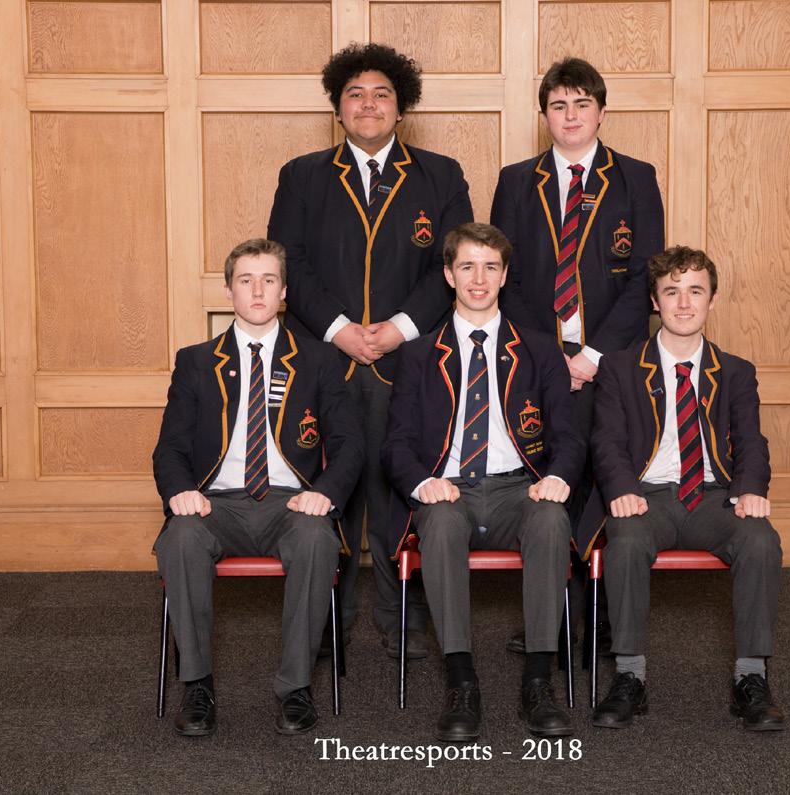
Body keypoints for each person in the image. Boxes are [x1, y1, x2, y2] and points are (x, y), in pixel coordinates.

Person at [268, 43, 473, 659]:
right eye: (354, 94)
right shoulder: (302, 175)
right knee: (327, 487)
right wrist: (340, 330)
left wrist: (398, 328)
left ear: (400, 107)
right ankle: (327, 619)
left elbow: (452, 264)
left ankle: (398, 613)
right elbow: (289, 263)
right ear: (338, 108)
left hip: (407, 360)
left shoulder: (441, 175)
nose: (368, 104)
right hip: (324, 358)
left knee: (396, 489)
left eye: (382, 94)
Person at [381, 223, 585, 741]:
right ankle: (461, 681)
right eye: (467, 267)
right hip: (449, 488)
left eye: (490, 267)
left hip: (520, 487)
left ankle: (539, 680)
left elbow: (568, 435)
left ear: (504, 275)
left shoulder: (539, 350)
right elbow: (397, 443)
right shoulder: (418, 354)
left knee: (550, 519)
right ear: (449, 275)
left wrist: (557, 476)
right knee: (442, 522)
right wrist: (422, 482)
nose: (479, 278)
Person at [152, 238, 363, 737]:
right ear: (229, 291)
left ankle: (296, 687)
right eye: (246, 280)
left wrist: (325, 492)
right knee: (180, 537)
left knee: (315, 539)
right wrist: (181, 491)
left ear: (284, 291)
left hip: (290, 502)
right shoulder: (196, 361)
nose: (258, 290)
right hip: (215, 505)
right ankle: (197, 685)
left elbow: (349, 444)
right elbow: (170, 449)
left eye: (269, 280)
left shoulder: (318, 359)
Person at [490, 56, 664, 653]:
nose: (570, 116)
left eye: (581, 104)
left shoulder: (635, 178)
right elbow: (505, 280)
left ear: (601, 112)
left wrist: (591, 356)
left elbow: (644, 278)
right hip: (540, 363)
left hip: (610, 362)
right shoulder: (517, 181)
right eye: (558, 106)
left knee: (606, 478)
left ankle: (603, 618)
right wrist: (548, 358)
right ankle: (555, 618)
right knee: (549, 482)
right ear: (545, 115)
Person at [576, 245, 785, 731]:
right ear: (655, 301)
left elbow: (751, 440)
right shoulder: (621, 367)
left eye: (695, 291)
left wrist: (750, 487)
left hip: (713, 497)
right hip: (646, 495)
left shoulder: (736, 371)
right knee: (627, 541)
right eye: (672, 292)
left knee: (761, 540)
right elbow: (606, 440)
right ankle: (629, 676)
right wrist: (620, 488)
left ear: (712, 300)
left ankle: (751, 678)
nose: (684, 303)